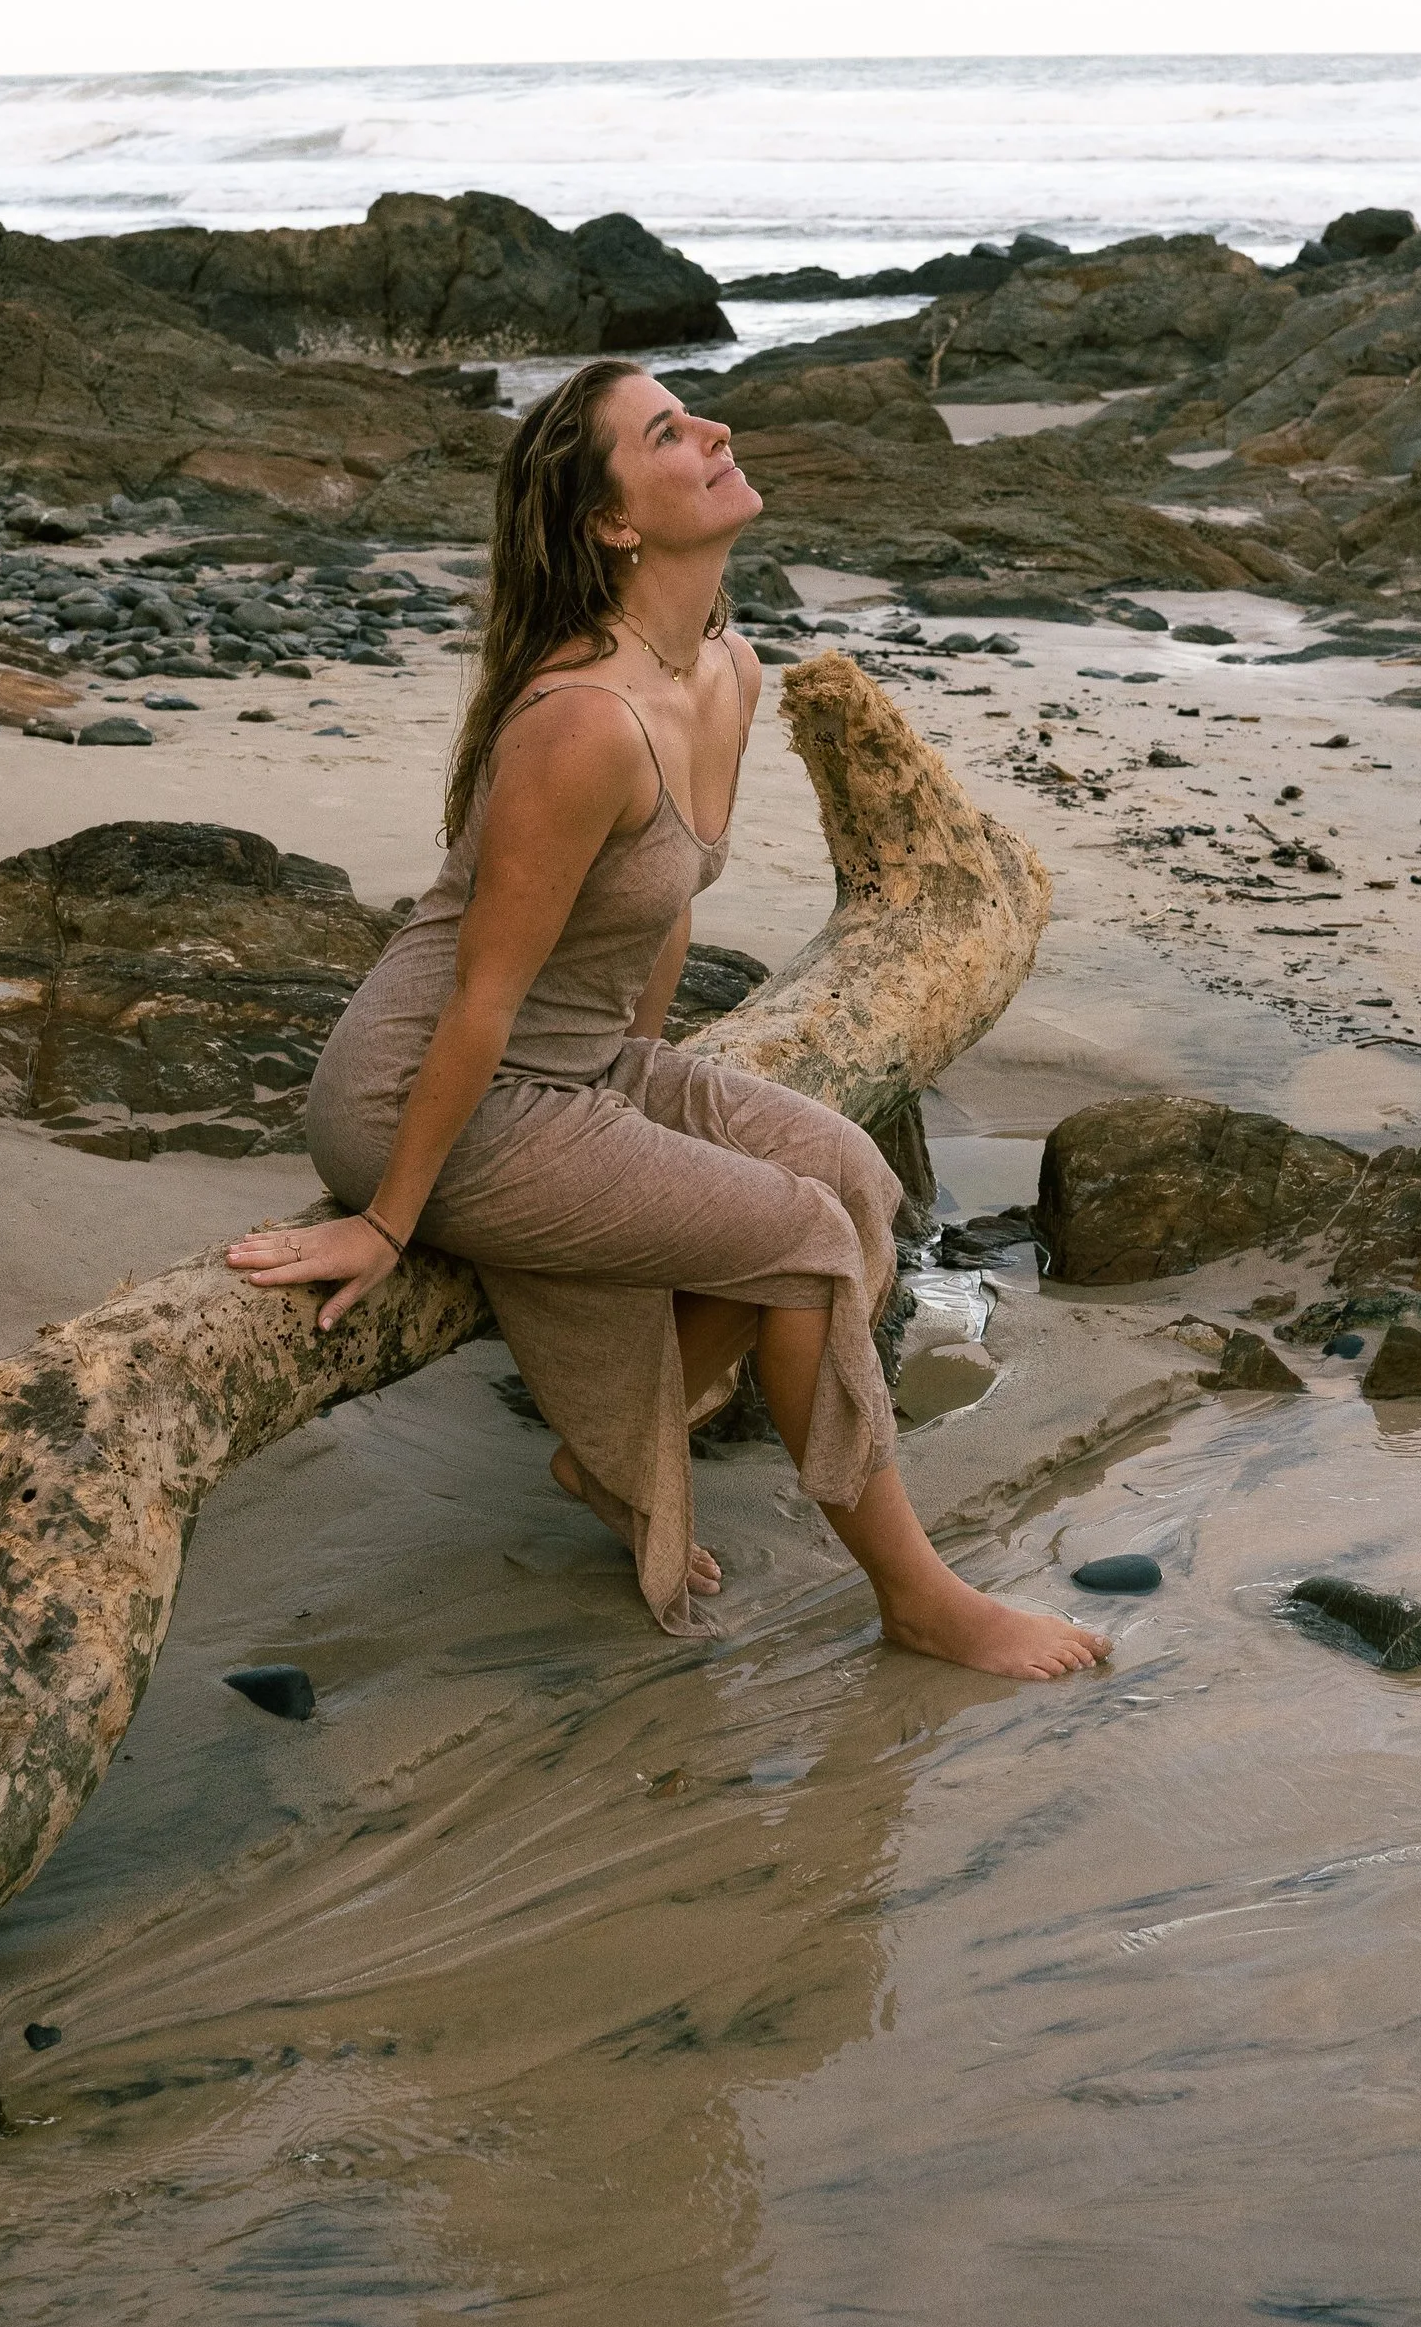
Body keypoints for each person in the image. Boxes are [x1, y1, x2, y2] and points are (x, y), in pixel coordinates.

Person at [228, 356, 1107, 1682]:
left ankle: (618, 1453)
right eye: (668, 432)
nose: (715, 431)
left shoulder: (726, 671)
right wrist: (385, 1218)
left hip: (578, 1062)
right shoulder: (580, 723)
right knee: (807, 1244)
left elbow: (666, 903)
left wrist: (651, 1088)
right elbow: (481, 992)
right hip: (432, 1092)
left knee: (851, 1176)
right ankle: (920, 1598)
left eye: (694, 414)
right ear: (613, 524)